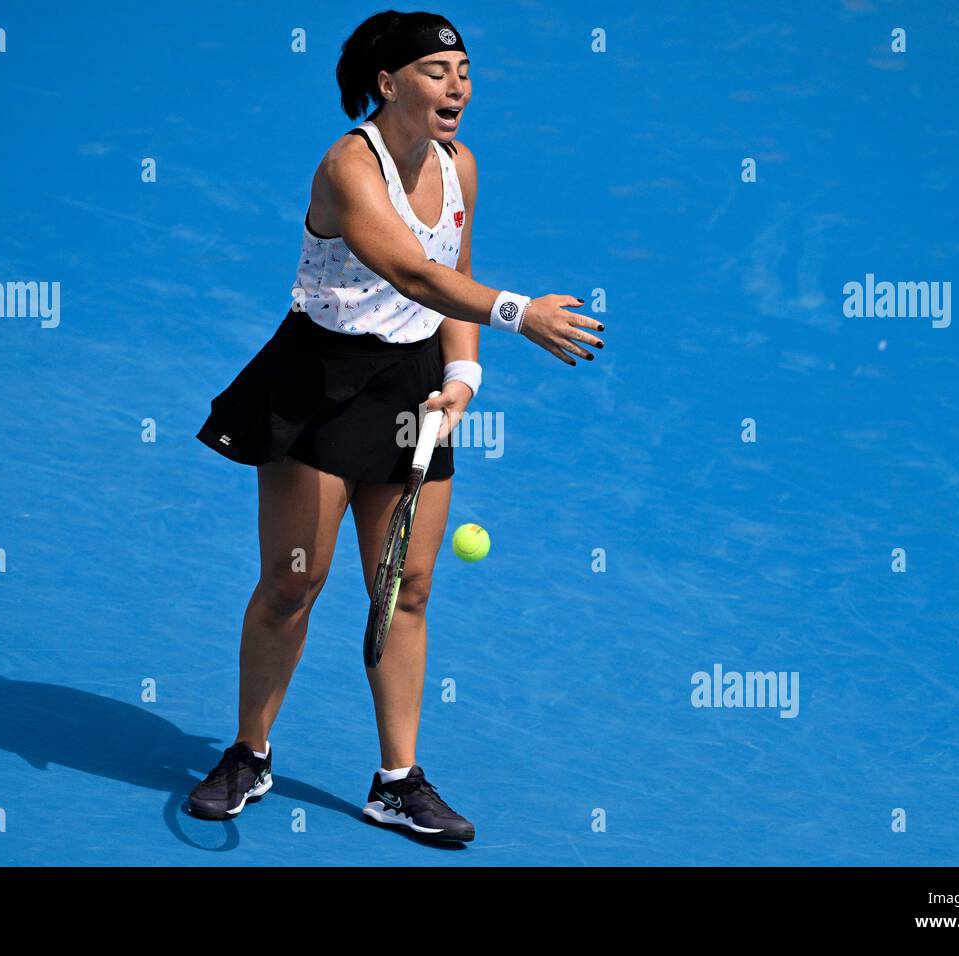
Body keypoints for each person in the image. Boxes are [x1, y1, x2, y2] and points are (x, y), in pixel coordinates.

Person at [188, 9, 605, 843]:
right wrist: (520, 317)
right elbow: (411, 271)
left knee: (404, 591)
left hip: (411, 390)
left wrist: (463, 373)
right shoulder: (349, 165)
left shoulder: (460, 167)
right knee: (293, 583)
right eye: (436, 71)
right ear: (388, 84)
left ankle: (397, 780)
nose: (458, 86)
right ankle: (248, 752)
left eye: (464, 71)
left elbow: (453, 273)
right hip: (320, 384)